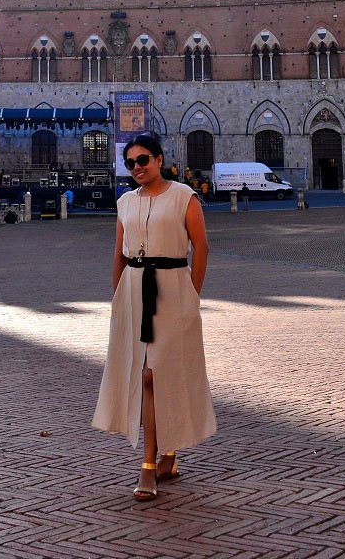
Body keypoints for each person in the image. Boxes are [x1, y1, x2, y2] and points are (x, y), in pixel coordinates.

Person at [92, 134, 216, 501]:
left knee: (158, 374)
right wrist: (118, 296)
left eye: (143, 160)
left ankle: (149, 467)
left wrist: (192, 293)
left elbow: (202, 247)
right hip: (132, 292)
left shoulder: (184, 197)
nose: (137, 168)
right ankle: (166, 457)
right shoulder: (125, 202)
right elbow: (118, 253)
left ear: (160, 159)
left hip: (172, 290)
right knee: (143, 375)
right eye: (130, 164)